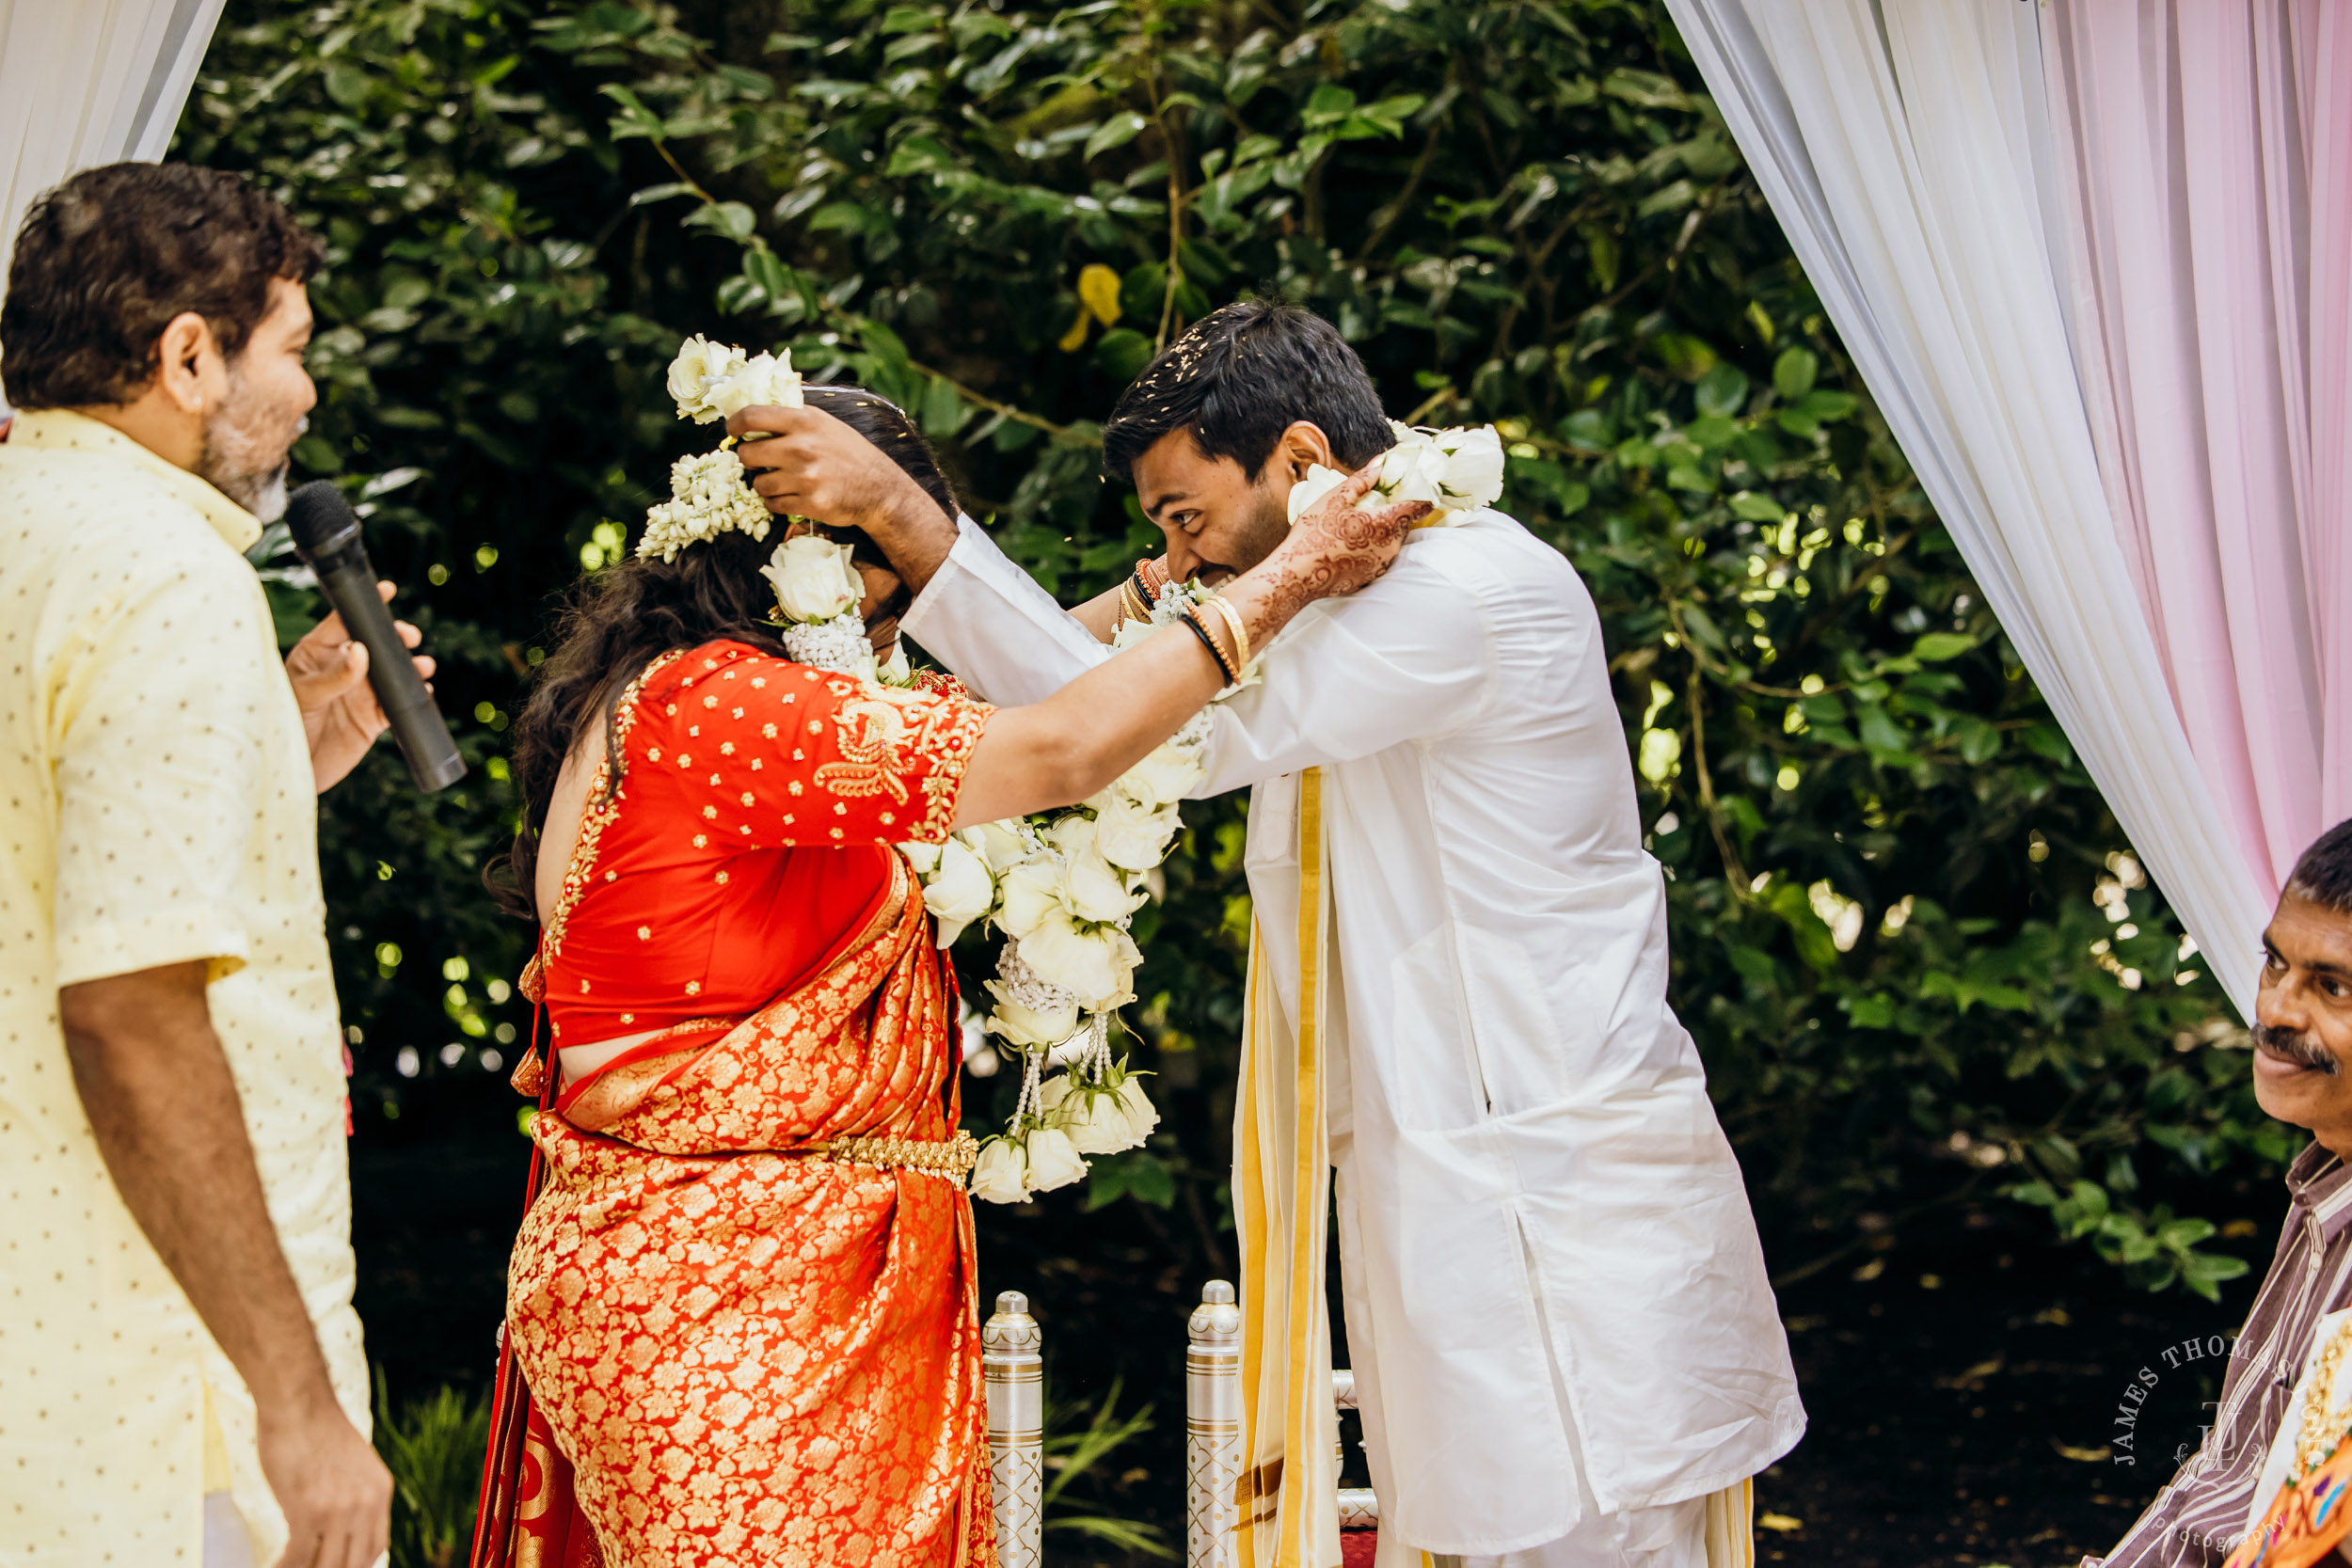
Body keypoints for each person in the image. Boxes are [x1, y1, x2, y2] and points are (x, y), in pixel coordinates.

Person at [728, 301, 1806, 1568]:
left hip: (1554, 1218)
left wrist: (912, 520)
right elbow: (1126, 668)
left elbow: (1142, 730)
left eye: (1187, 518)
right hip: (1476, 1187)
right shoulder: (1371, 578)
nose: (1179, 562)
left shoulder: (1461, 589)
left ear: (1300, 459)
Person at [469, 380, 1425, 1568]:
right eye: (899, 574)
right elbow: (1061, 743)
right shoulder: (723, 707)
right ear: (810, 553)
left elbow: (987, 704)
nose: (906, 617)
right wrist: (1284, 581)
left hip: (750, 1274)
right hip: (723, 1297)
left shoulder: (686, 690)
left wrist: (1151, 594)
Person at [0, 163, 437, 1567]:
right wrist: (297, 1405)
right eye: (293, 348)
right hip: (153, 1401)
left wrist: (283, 752)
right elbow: (129, 1008)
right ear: (190, 355)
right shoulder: (166, 580)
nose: (307, 394)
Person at [2089, 822, 2352, 1567]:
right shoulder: (2326, 1180)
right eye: (2275, 964)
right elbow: (2227, 1487)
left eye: (2332, 986)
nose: (2275, 1011)